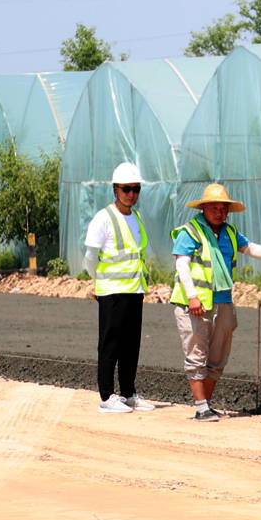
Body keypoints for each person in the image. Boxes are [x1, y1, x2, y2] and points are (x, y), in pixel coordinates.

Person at [171, 183, 261, 421]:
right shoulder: (190, 232)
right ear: (204, 208)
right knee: (196, 353)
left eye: (223, 208)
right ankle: (201, 407)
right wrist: (192, 297)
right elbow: (182, 265)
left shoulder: (229, 232)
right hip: (195, 304)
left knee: (218, 356)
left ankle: (205, 405)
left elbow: (249, 248)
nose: (220, 212)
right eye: (215, 208)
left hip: (223, 301)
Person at [82, 161, 154, 413]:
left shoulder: (136, 219)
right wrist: (98, 282)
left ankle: (128, 392)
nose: (132, 194)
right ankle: (106, 396)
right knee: (110, 343)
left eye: (136, 189)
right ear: (115, 189)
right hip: (111, 292)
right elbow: (90, 257)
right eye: (126, 189)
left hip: (134, 290)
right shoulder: (103, 218)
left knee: (131, 344)